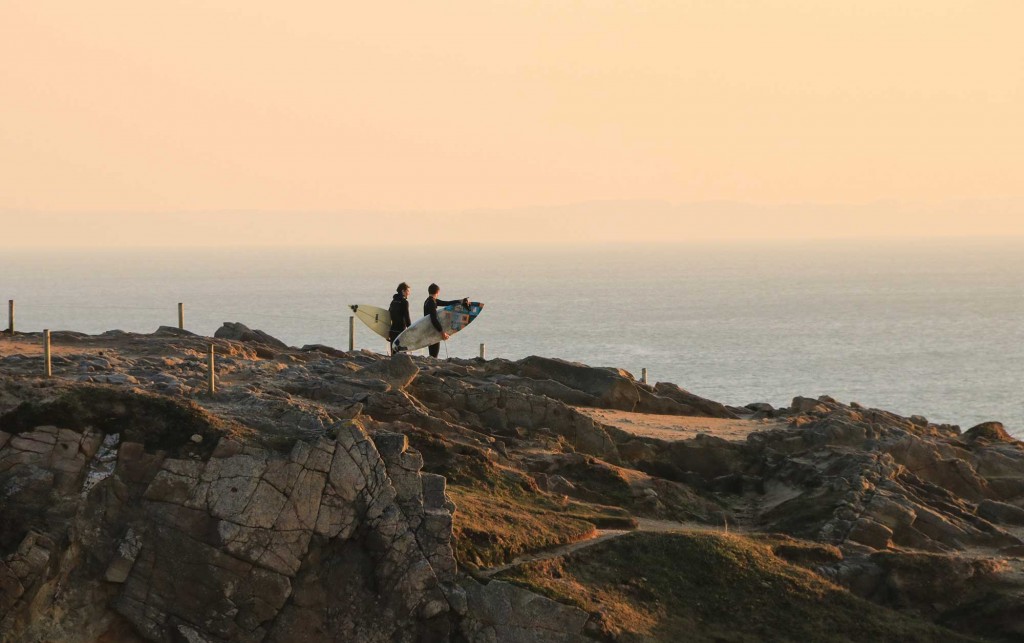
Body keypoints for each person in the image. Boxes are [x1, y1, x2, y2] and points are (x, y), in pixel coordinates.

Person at [424, 284, 470, 358]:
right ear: (438, 292)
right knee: (434, 354)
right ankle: (434, 367)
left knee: (432, 354)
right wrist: (442, 332)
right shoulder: (431, 302)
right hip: (433, 331)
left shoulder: (429, 301)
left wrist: (461, 301)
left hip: (430, 330)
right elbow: (434, 319)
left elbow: (446, 303)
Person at [388, 282, 412, 353]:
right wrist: (411, 330)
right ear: (403, 291)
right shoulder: (404, 302)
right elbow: (407, 317)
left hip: (392, 331)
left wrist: (387, 332)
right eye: (407, 291)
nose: (409, 293)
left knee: (394, 354)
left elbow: (388, 315)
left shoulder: (393, 301)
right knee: (402, 354)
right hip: (400, 332)